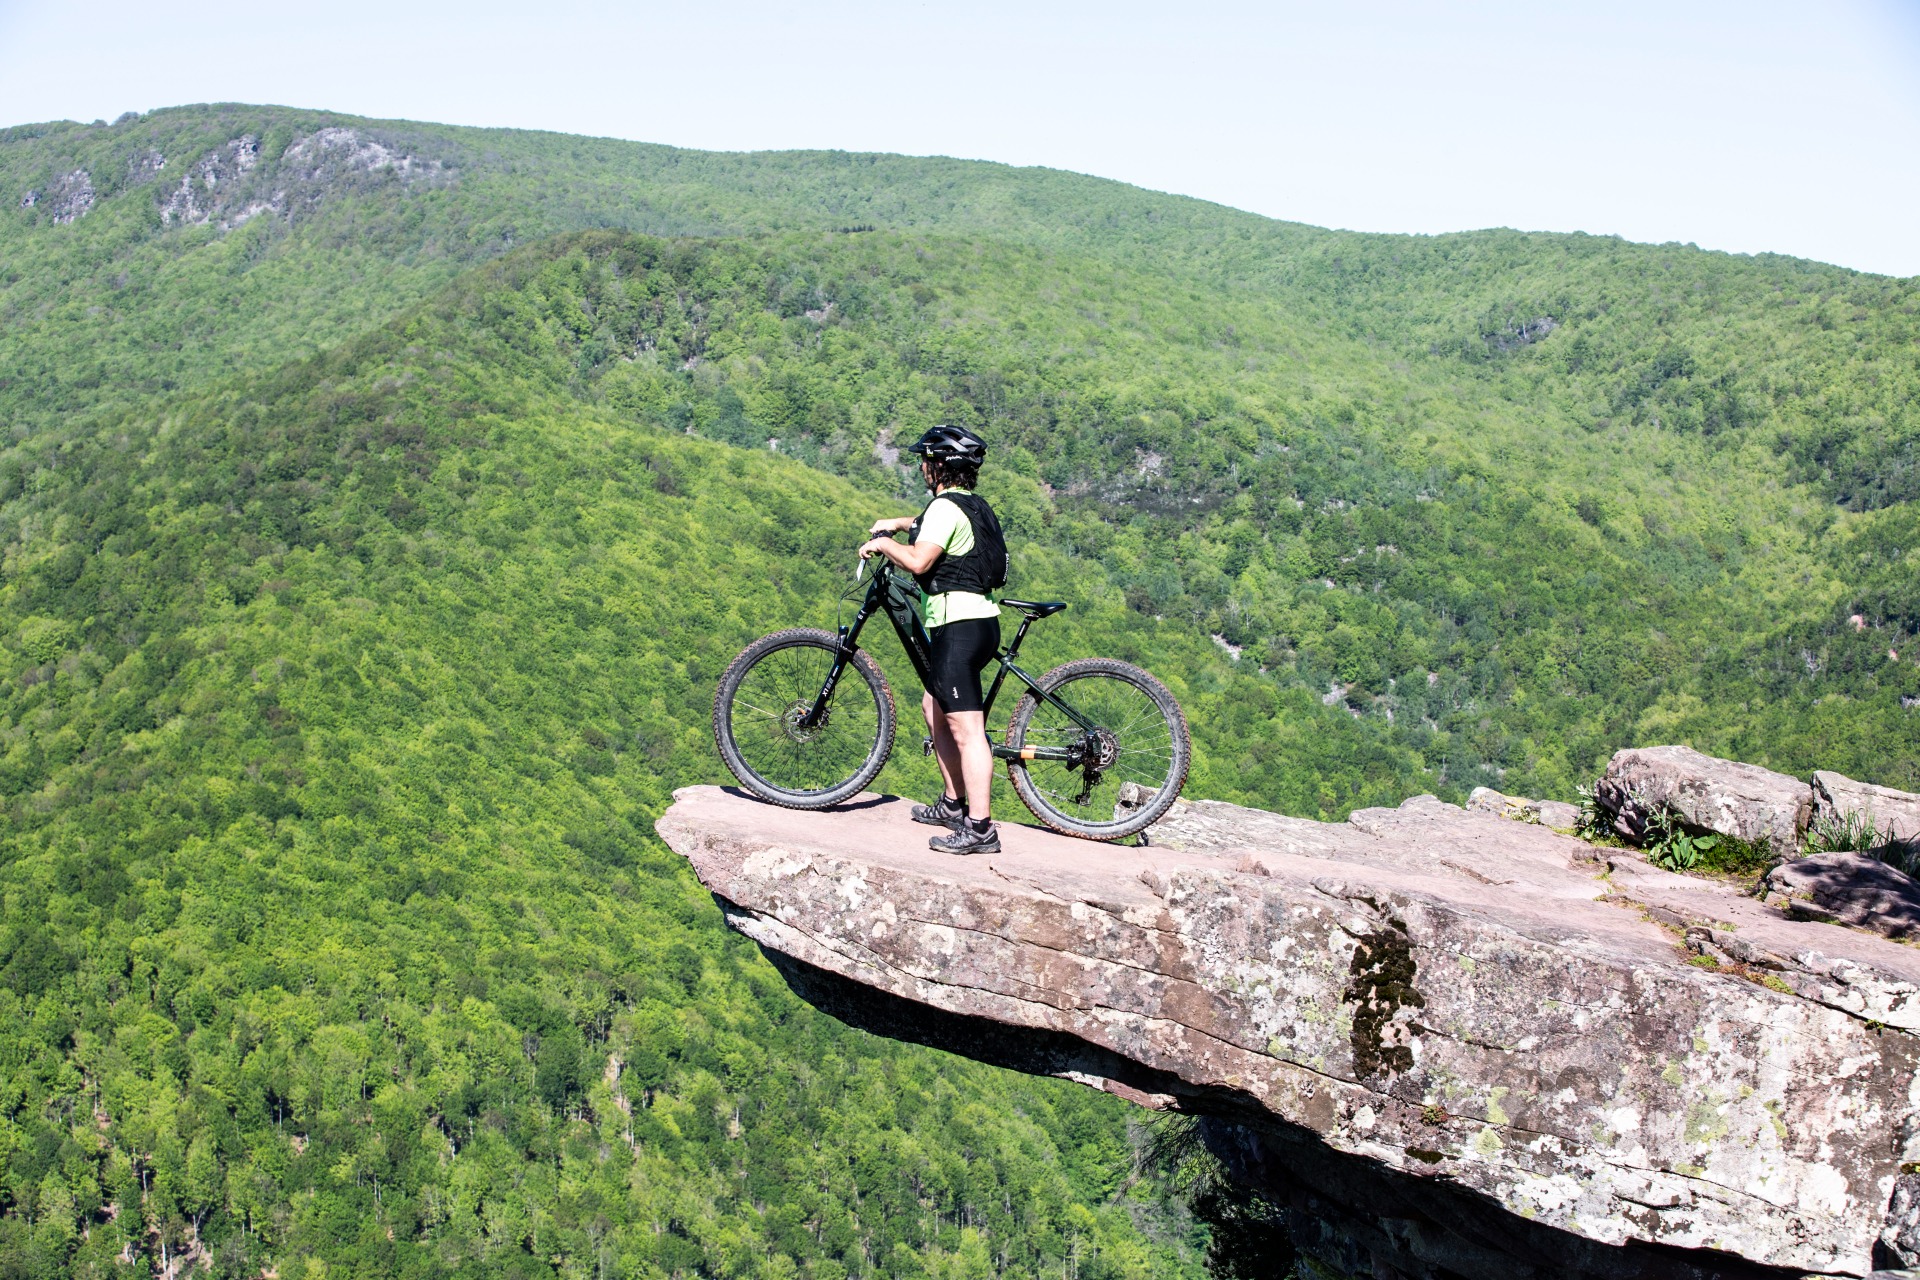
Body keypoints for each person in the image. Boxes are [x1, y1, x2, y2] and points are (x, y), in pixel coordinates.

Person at [859, 425, 1007, 854]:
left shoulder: (944, 508)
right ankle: (952, 803)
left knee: (968, 730)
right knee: (933, 705)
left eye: (926, 459)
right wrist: (901, 521)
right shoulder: (969, 504)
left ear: (939, 466)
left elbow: (920, 560)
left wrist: (885, 543)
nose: (923, 466)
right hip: (977, 621)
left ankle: (980, 829)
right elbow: (931, 526)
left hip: (959, 627)